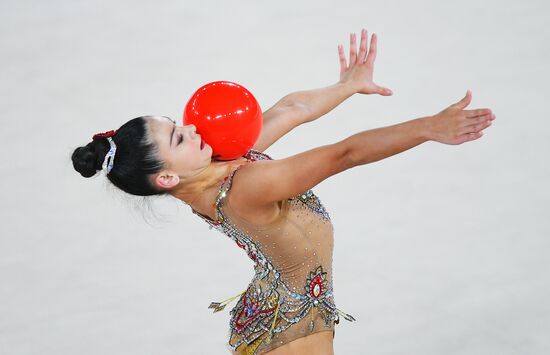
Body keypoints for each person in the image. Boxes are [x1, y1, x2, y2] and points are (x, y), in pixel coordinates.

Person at [71, 28, 496, 355]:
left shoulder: (218, 164)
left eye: (176, 124)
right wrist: (427, 127)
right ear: (166, 178)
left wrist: (346, 86)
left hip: (283, 310)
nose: (191, 128)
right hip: (290, 329)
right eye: (178, 139)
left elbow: (288, 110)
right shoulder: (245, 189)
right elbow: (342, 154)